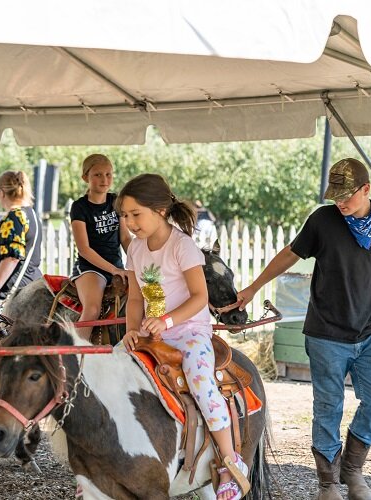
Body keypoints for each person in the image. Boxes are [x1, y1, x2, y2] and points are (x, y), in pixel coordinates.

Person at [236, 158, 371, 500]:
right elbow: (290, 254)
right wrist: (253, 288)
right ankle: (328, 483)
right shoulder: (322, 220)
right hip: (325, 333)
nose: (340, 202)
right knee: (328, 407)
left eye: (347, 195)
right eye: (335, 196)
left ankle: (352, 469)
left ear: (366, 189)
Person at [118, 173, 250, 500]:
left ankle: (231, 463)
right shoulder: (135, 249)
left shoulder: (182, 246)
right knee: (112, 367)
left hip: (189, 331)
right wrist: (131, 332)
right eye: (124, 216)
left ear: (160, 210)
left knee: (201, 383)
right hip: (150, 333)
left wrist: (165, 320)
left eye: (136, 214)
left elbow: (199, 297)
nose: (129, 222)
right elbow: (135, 298)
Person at [0, 170, 43, 405]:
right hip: (30, 289)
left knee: (3, 348)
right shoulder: (31, 215)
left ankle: (8, 401)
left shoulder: (15, 217)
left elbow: (11, 257)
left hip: (12, 295)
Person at [69, 154, 131, 340]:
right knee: (93, 309)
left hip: (117, 266)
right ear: (85, 178)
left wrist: (141, 260)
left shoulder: (116, 201)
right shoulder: (79, 207)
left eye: (108, 174)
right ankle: (76, 355)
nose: (104, 180)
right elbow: (84, 249)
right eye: (97, 175)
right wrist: (113, 269)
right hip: (91, 269)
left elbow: (125, 238)